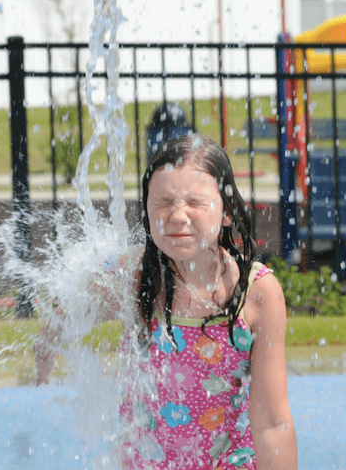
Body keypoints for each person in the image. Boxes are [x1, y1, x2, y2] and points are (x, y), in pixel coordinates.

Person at [34, 133, 297, 469]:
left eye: (195, 202)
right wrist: (45, 348)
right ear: (146, 208)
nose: (177, 215)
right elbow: (71, 313)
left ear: (227, 211)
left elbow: (272, 422)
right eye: (163, 202)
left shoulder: (257, 292)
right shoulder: (133, 277)